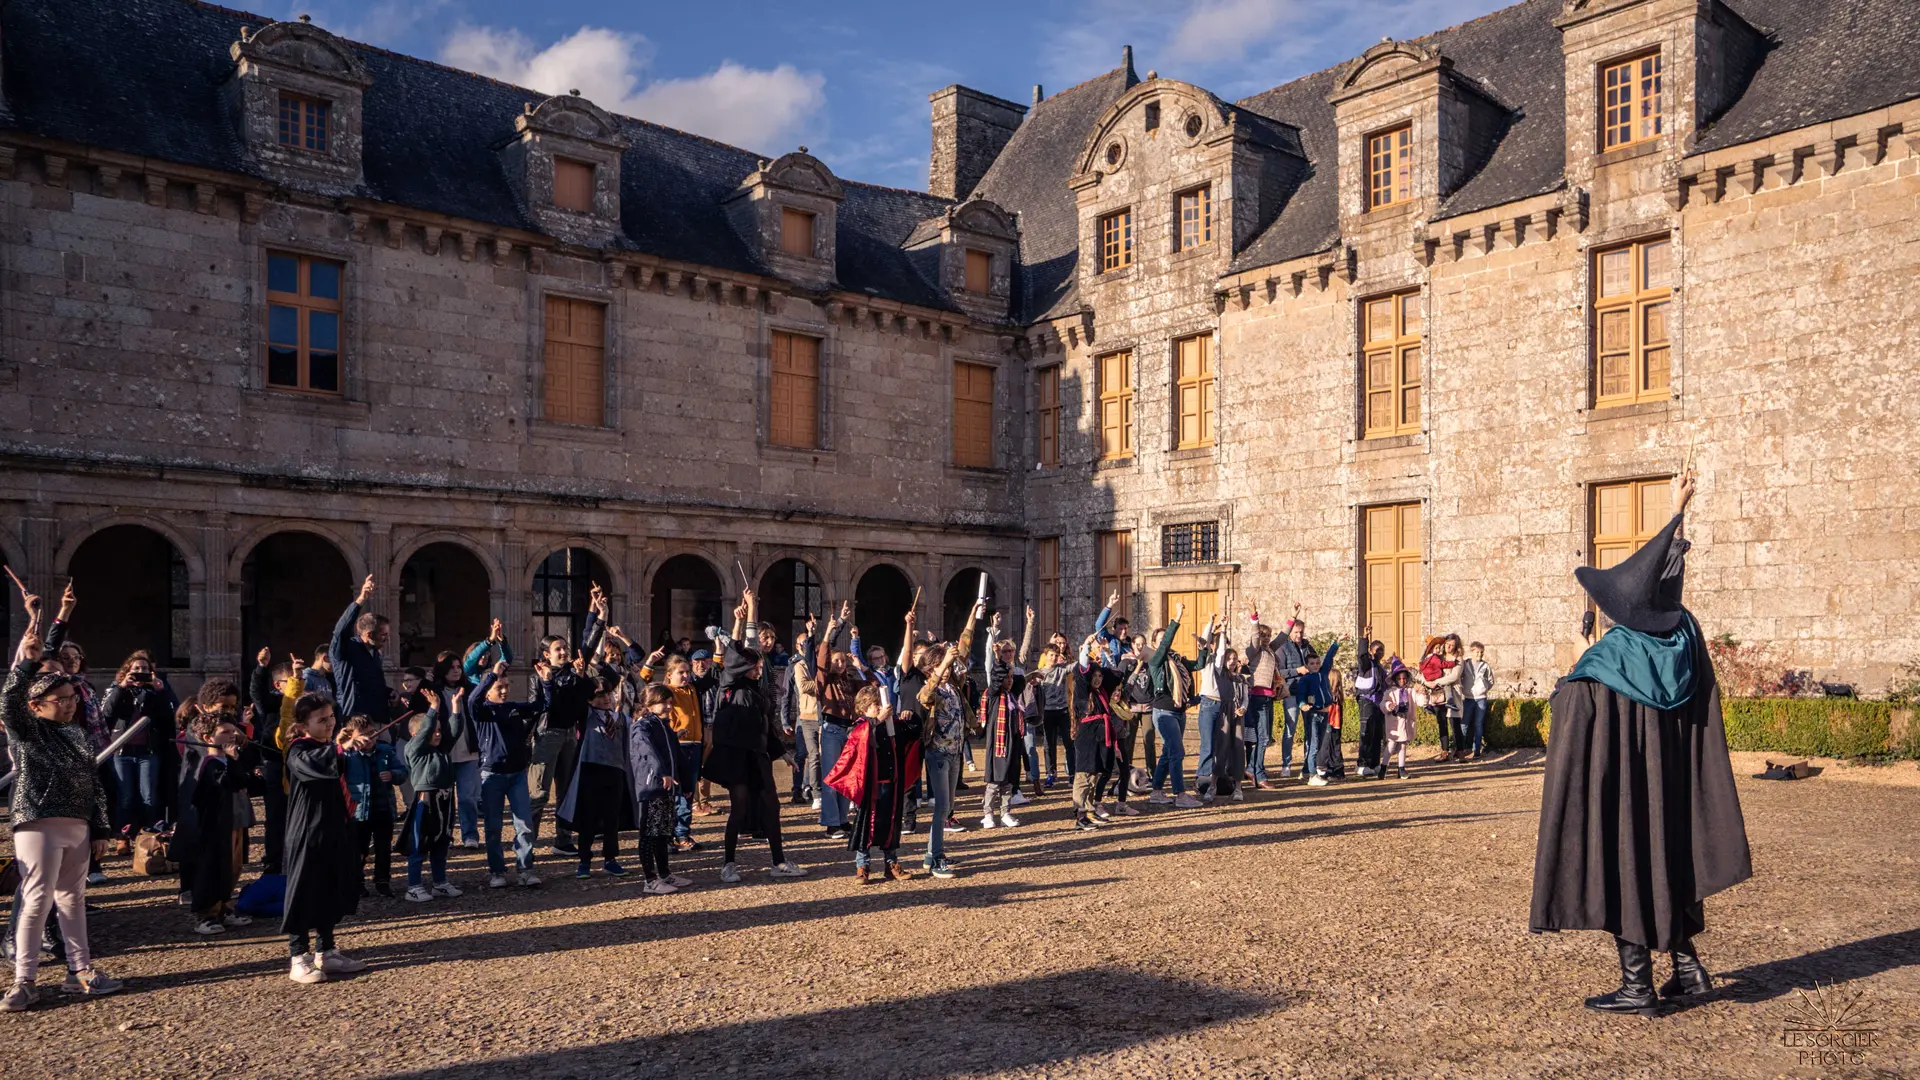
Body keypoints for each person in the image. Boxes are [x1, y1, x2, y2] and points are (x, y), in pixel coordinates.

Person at [1531, 470, 1751, 1016]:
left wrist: (1577, 663)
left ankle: (1637, 986)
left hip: (1626, 791)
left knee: (1625, 861)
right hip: (1670, 786)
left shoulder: (1610, 657)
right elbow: (1663, 586)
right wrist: (1677, 517)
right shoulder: (1682, 642)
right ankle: (1688, 969)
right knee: (1665, 859)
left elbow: (1570, 713)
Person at [3, 588, 122, 1012]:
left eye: (73, 699)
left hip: (78, 824)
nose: (70, 706)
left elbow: (94, 783)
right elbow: (9, 701)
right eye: (61, 700)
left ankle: (80, 971)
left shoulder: (76, 733)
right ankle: (25, 979)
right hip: (37, 820)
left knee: (73, 899)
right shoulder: (28, 729)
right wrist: (28, 662)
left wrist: (101, 828)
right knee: (37, 898)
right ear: (38, 705)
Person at [702, 589, 806, 882]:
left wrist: (783, 752)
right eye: (756, 667)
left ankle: (779, 861)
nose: (760, 670)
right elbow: (742, 648)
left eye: (762, 667)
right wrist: (748, 609)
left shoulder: (759, 694)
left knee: (771, 807)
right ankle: (729, 864)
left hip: (758, 755)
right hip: (736, 755)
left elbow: (765, 726)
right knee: (739, 807)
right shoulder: (728, 683)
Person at [280, 692, 368, 984]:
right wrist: (341, 749)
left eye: (331, 717)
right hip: (308, 833)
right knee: (304, 891)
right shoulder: (298, 748)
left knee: (332, 887)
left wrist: (353, 748)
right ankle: (298, 957)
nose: (329, 723)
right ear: (304, 724)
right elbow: (311, 764)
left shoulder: (327, 746)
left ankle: (326, 951)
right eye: (321, 720)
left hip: (334, 828)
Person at [826, 682, 923, 884]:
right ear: (864, 708)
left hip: (891, 782)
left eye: (881, 704)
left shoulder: (891, 725)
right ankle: (862, 866)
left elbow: (913, 735)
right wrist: (878, 720)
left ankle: (891, 864)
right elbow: (857, 737)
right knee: (865, 829)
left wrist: (911, 716)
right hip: (870, 787)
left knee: (891, 826)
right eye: (875, 705)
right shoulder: (860, 726)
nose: (880, 708)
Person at [907, 606, 976, 877]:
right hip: (937, 753)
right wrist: (944, 663)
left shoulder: (954, 686)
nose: (945, 670)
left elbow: (965, 648)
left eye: (945, 665)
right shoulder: (932, 688)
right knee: (941, 809)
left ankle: (930, 854)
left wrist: (972, 617)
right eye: (938, 666)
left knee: (947, 808)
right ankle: (936, 858)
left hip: (955, 752)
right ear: (931, 668)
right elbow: (924, 697)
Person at [469, 660, 542, 889]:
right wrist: (492, 675)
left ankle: (525, 869)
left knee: (524, 823)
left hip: (517, 773)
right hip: (491, 775)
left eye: (507, 686)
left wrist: (545, 681)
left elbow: (541, 705)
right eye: (499, 687)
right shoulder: (481, 711)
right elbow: (472, 700)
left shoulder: (512, 708)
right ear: (488, 690)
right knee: (493, 826)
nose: (504, 690)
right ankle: (497, 871)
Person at [184, 710, 258, 935]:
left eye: (233, 731)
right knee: (211, 868)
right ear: (208, 738)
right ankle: (206, 913)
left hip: (232, 819)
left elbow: (245, 780)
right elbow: (229, 782)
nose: (231, 736)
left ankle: (223, 907)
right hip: (213, 824)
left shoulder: (228, 757)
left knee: (230, 867)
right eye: (225, 732)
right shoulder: (209, 763)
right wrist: (234, 763)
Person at [636, 646, 715, 853]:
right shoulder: (668, 692)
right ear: (669, 675)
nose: (686, 676)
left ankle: (682, 833)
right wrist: (650, 662)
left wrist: (719, 648)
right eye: (681, 672)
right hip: (677, 746)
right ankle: (669, 835)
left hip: (695, 745)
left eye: (687, 672)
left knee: (688, 792)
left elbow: (714, 673)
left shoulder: (692, 688)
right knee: (672, 792)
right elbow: (645, 683)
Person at [557, 673, 633, 879]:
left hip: (615, 771)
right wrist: (581, 676)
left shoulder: (622, 719)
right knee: (588, 818)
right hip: (590, 771)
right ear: (590, 699)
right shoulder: (587, 716)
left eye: (608, 693)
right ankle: (584, 860)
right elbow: (577, 700)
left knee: (612, 818)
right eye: (599, 695)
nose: (606, 698)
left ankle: (610, 858)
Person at [98, 649, 176, 841]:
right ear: (127, 671)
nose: (140, 671)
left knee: (148, 795)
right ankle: (123, 835)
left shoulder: (156, 691)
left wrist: (161, 692)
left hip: (148, 750)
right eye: (136, 668)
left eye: (144, 668)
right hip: (122, 750)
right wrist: (122, 687)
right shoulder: (117, 688)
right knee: (125, 796)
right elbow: (107, 713)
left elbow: (170, 716)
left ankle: (149, 835)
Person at [399, 685, 465, 902]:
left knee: (441, 842)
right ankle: (414, 886)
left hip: (444, 800)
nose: (437, 733)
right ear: (417, 735)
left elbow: (454, 732)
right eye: (433, 730)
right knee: (419, 844)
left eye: (438, 729)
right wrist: (433, 709)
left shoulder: (441, 750)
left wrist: (455, 709)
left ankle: (440, 883)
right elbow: (425, 731)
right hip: (425, 802)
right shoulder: (414, 750)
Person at [626, 684, 688, 894]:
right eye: (664, 702)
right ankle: (649, 879)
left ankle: (664, 873)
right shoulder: (642, 726)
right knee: (649, 833)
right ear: (650, 703)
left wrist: (685, 782)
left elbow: (676, 755)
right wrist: (662, 772)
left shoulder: (665, 725)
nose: (669, 707)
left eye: (671, 702)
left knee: (663, 831)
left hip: (667, 787)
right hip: (651, 786)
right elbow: (647, 750)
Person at [813, 602, 867, 840]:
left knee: (847, 776)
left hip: (849, 731)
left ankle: (843, 819)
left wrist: (860, 666)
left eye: (842, 661)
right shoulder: (825, 681)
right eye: (836, 661)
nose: (840, 664)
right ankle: (831, 822)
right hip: (832, 729)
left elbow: (871, 685)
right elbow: (822, 660)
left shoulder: (850, 681)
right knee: (831, 775)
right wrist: (829, 632)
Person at [1145, 605, 1207, 808]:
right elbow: (1164, 646)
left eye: (1167, 638)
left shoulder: (1178, 661)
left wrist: (1203, 648)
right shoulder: (1155, 661)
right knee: (1177, 752)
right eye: (1161, 640)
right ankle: (1180, 794)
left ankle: (1156, 791)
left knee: (1168, 752)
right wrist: (1177, 618)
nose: (1166, 643)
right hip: (1164, 712)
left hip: (1179, 712)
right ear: (1155, 644)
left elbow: (1198, 666)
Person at [339, 715, 407, 898]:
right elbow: (332, 766)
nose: (369, 738)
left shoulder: (385, 750)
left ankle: (383, 881)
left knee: (383, 848)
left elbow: (403, 772)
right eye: (363, 735)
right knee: (359, 849)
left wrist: (393, 775)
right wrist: (343, 745)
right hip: (359, 811)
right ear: (352, 736)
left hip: (383, 808)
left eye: (372, 732)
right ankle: (357, 882)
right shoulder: (348, 754)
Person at [976, 611, 1031, 829]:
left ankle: (1005, 812)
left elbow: (1018, 670)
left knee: (1008, 779)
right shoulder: (993, 695)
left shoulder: (1012, 697)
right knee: (993, 781)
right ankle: (988, 813)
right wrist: (995, 643)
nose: (1009, 681)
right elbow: (996, 670)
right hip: (997, 744)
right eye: (1006, 678)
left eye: (1011, 678)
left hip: (1012, 742)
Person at [1070, 635, 1122, 831]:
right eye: (1095, 676)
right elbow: (1082, 668)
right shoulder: (1083, 690)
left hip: (1100, 737)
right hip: (1087, 738)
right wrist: (1086, 646)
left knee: (1094, 776)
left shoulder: (1102, 692)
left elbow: (1115, 674)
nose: (1098, 679)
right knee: (1083, 776)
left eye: (1100, 676)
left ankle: (1090, 812)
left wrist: (1107, 652)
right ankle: (1080, 815)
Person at [330, 575, 392, 730]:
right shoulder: (346, 650)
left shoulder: (374, 654)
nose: (386, 639)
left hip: (378, 720)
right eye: (383, 635)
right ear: (369, 635)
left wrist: (390, 693)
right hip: (354, 721)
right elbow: (340, 631)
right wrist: (360, 600)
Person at [1033, 631, 1075, 789]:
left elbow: (1077, 665)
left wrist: (1086, 648)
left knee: (1069, 743)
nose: (1053, 657)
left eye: (1055, 655)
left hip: (1063, 710)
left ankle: (1072, 774)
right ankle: (1051, 774)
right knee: (1048, 744)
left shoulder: (1062, 669)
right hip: (1047, 712)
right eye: (1050, 654)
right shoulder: (1039, 674)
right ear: (1046, 655)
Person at [1352, 628, 1389, 778]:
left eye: (1382, 650)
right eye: (1377, 650)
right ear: (1371, 651)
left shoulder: (1380, 668)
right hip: (1367, 700)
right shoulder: (1367, 665)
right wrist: (1364, 638)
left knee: (1377, 734)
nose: (1379, 653)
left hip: (1378, 704)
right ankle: (1362, 764)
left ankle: (1374, 763)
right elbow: (1361, 655)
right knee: (1366, 732)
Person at [1381, 663, 1417, 779]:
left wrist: (1423, 694)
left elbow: (1421, 701)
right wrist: (1388, 705)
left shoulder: (1410, 692)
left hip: (1405, 723)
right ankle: (1383, 767)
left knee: (1402, 745)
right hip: (1394, 724)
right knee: (1391, 746)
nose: (1402, 681)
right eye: (1399, 678)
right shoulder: (1390, 692)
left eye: (1404, 678)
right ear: (1395, 679)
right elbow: (1383, 704)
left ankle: (1401, 768)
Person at [1462, 642, 1493, 759]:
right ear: (1472, 652)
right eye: (1477, 652)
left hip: (1481, 699)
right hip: (1468, 698)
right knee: (1464, 724)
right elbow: (1460, 677)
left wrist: (1483, 688)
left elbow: (1491, 680)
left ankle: (1477, 750)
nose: (1480, 654)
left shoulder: (1485, 666)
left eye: (1481, 652)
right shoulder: (1465, 664)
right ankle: (1462, 748)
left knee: (1478, 725)